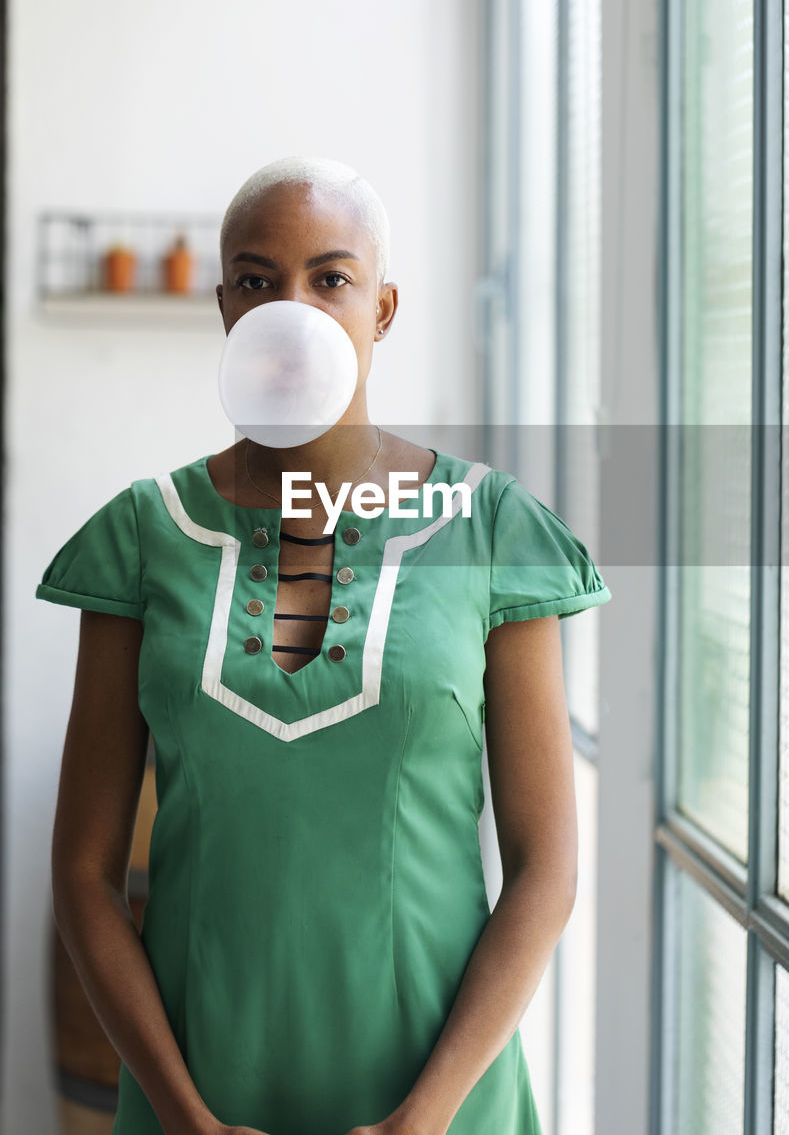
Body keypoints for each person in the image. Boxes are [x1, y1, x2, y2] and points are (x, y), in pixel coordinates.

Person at [38, 156, 612, 1135]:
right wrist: (187, 1118)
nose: (289, 307)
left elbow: (546, 863)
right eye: (257, 280)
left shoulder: (490, 529)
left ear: (382, 308)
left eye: (330, 278)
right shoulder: (143, 535)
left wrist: (423, 1117)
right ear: (223, 306)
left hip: (444, 1099)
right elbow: (85, 871)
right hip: (197, 1097)